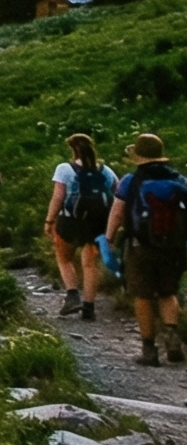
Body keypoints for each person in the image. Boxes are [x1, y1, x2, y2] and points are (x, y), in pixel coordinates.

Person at [110, 132, 187, 366]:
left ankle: (149, 351)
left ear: (138, 155)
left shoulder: (130, 181)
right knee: (168, 292)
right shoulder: (180, 180)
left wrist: (109, 238)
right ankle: (173, 341)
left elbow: (117, 212)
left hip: (140, 247)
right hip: (174, 247)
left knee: (142, 296)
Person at [48, 133, 112, 320]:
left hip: (71, 221)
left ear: (72, 149)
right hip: (97, 223)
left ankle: (72, 295)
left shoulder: (64, 168)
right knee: (90, 264)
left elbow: (58, 197)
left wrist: (49, 220)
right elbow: (116, 193)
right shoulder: (105, 170)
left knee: (64, 258)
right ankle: (89, 307)